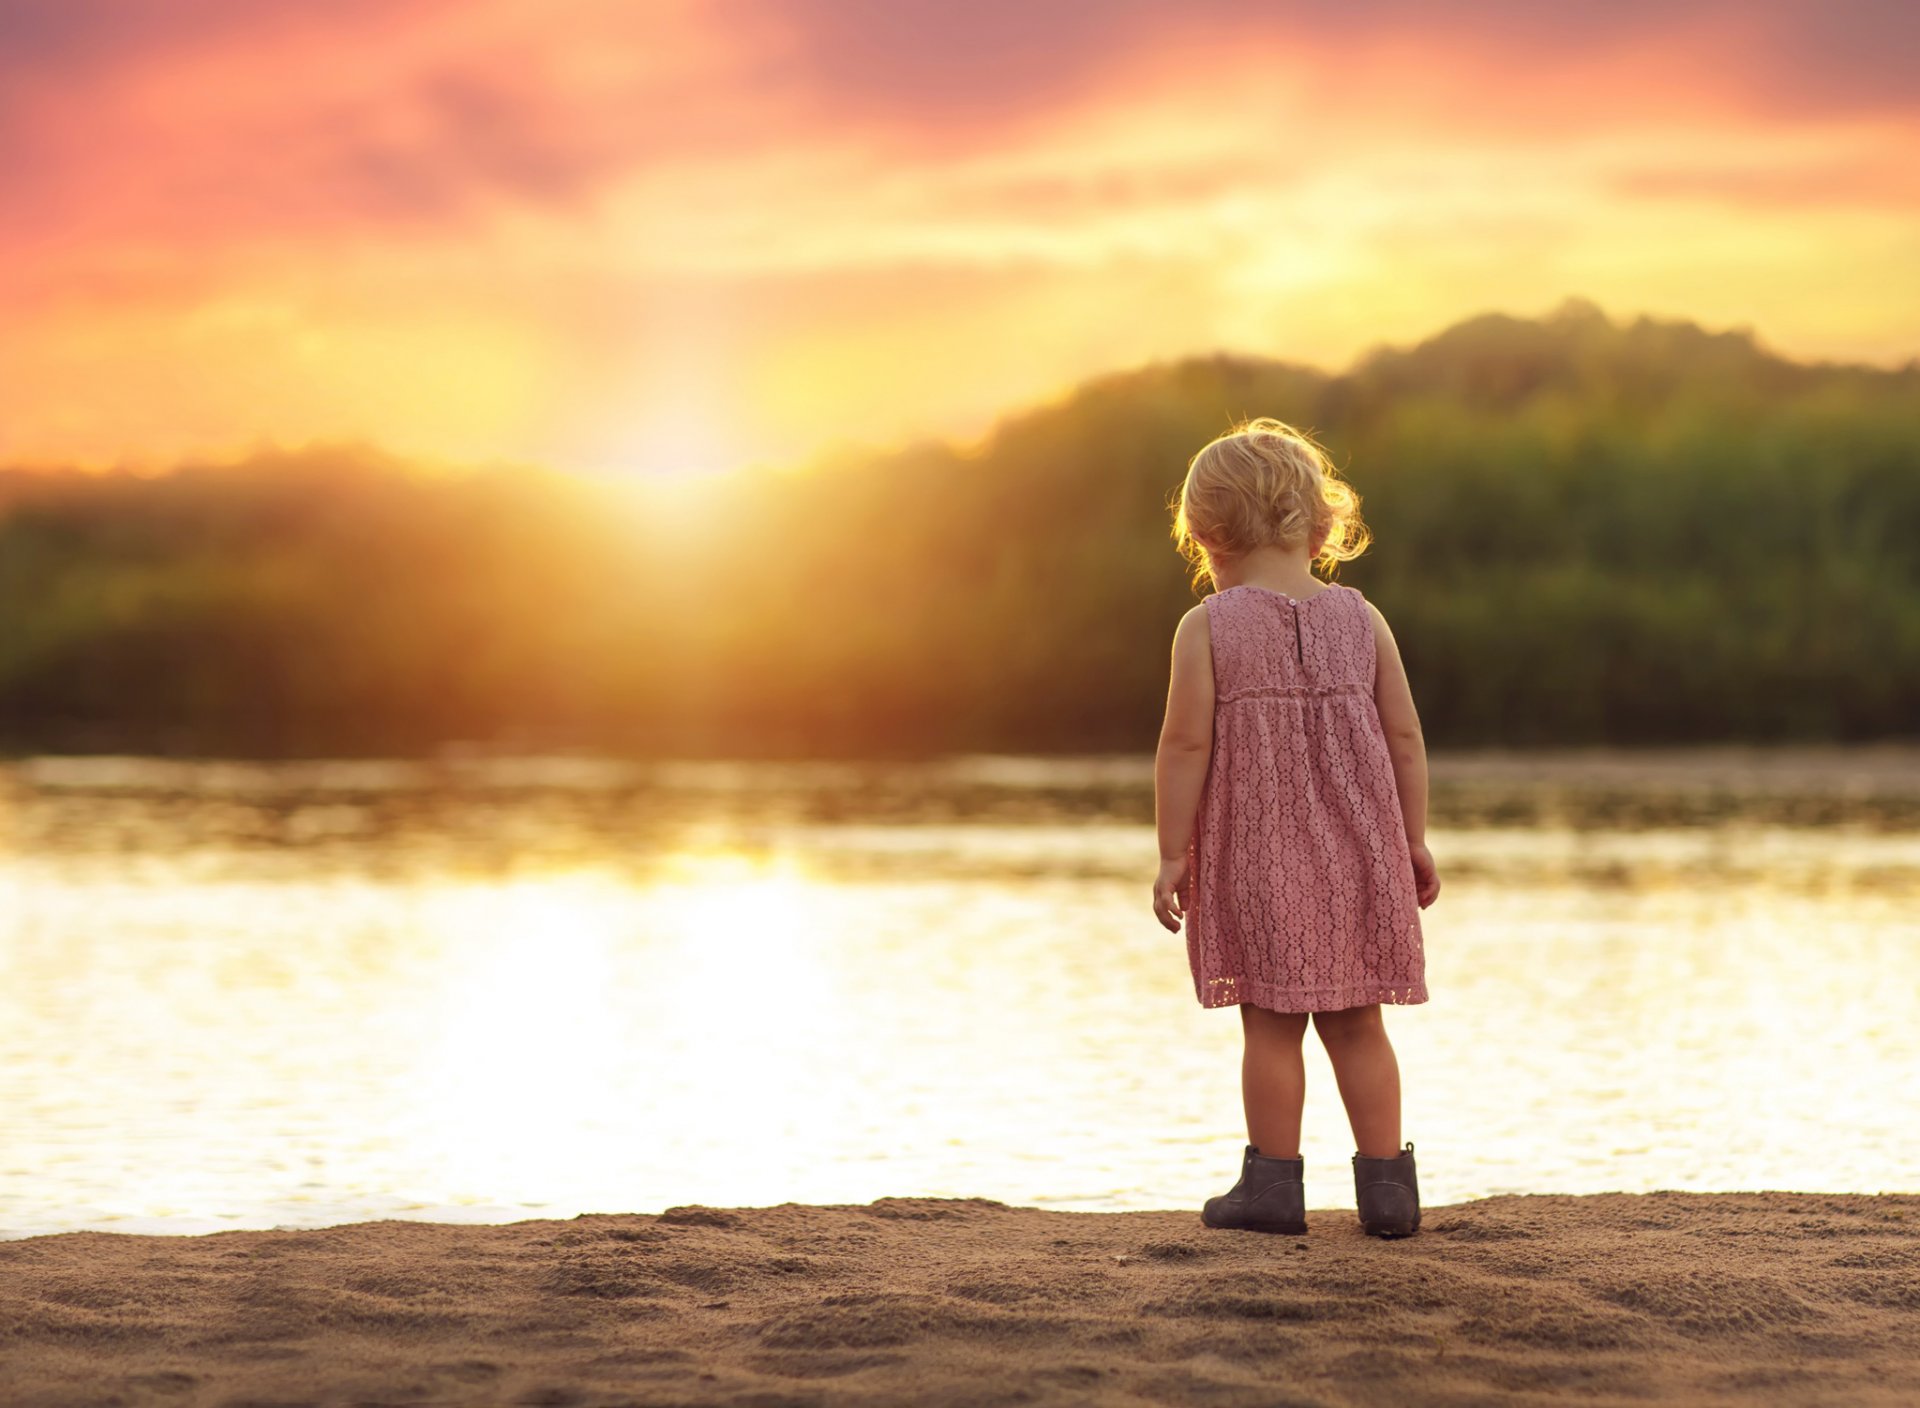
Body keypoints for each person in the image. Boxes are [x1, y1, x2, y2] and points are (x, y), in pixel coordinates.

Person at [1151, 416, 1440, 1238]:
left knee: (1272, 1024)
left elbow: (1185, 744)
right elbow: (1406, 740)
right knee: (1359, 1022)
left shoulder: (1208, 627)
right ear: (1321, 527)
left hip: (1258, 854)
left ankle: (1274, 1188)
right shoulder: (1364, 618)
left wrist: (1175, 851)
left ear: (1206, 535)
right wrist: (1411, 839)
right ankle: (1388, 1193)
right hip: (1362, 852)